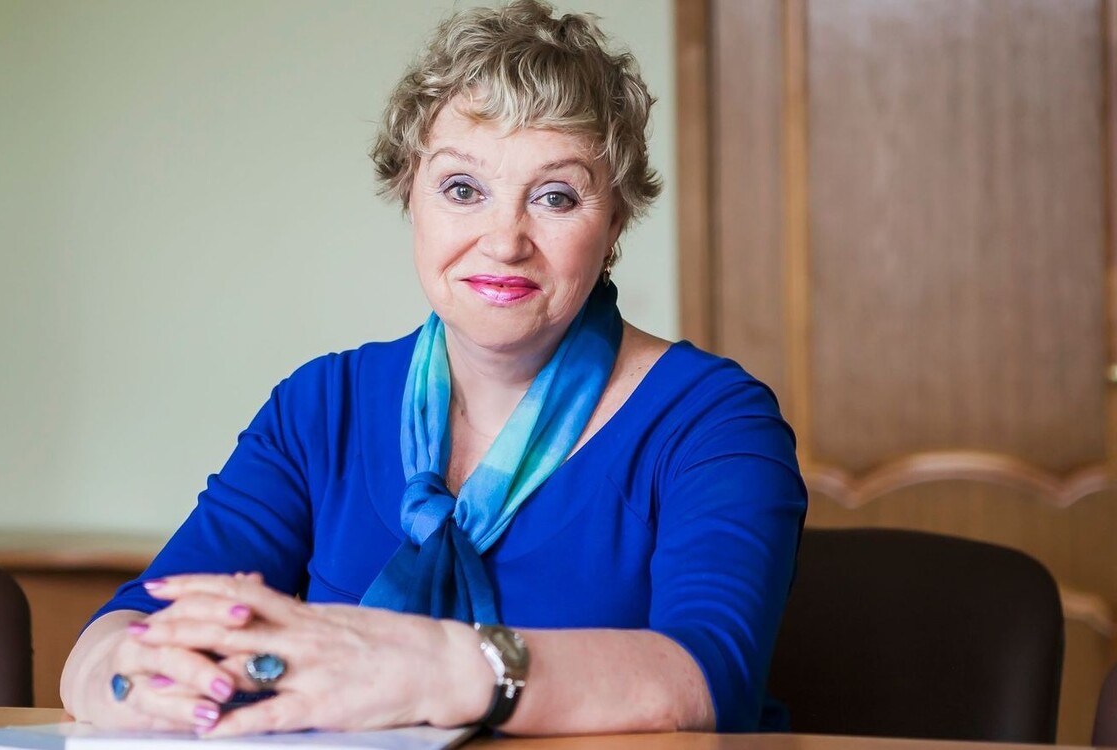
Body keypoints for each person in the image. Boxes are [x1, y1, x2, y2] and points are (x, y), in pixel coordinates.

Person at [60, 0, 807, 738]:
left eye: (555, 196)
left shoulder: (713, 420)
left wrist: (430, 665)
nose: (505, 240)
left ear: (613, 222)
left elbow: (709, 677)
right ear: (408, 195)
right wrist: (126, 676)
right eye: (462, 189)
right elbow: (128, 627)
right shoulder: (321, 407)